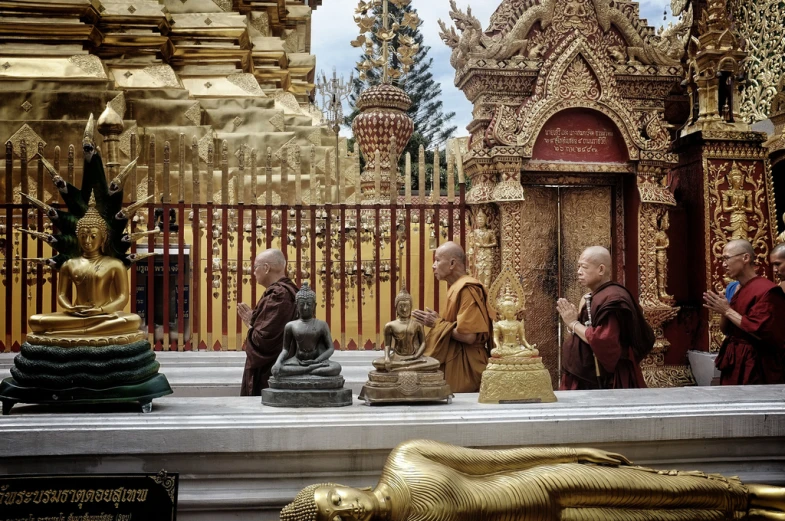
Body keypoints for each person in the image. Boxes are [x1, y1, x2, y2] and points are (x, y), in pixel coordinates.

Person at [281, 439, 785, 521]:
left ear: (337, 484)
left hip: (549, 482)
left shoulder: (406, 457)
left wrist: (573, 451)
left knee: (669, 487)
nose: (348, 510)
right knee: (664, 517)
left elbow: (500, 459)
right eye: (337, 519)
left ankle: (762, 495)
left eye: (335, 499)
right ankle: (751, 513)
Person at [28, 198, 141, 337]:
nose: (87, 241)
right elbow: (62, 295)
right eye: (83, 236)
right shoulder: (69, 264)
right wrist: (70, 308)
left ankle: (76, 333)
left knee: (133, 320)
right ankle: (87, 332)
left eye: (93, 236)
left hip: (104, 315)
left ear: (103, 238)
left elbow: (123, 297)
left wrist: (100, 310)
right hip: (76, 314)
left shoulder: (115, 264)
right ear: (77, 237)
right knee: (35, 321)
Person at [556, 246, 652, 390]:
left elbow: (604, 340)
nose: (579, 272)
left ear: (601, 269)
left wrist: (573, 323)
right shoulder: (596, 296)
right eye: (578, 267)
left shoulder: (613, 298)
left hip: (606, 378)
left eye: (584, 267)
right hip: (588, 373)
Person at [412, 242, 493, 393]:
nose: (433, 265)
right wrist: (440, 322)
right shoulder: (456, 287)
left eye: (437, 260)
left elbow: (469, 336)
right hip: (456, 360)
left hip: (467, 365)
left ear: (452, 264)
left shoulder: (468, 288)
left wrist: (437, 323)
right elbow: (453, 325)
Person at [704, 239, 785, 385]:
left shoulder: (767, 290)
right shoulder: (734, 288)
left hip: (755, 361)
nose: (723, 264)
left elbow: (760, 330)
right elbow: (727, 330)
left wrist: (727, 310)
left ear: (745, 258)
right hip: (734, 358)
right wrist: (722, 310)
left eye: (726, 258)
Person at [238, 249, 298, 396]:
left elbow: (263, 341)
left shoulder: (280, 295)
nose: (253, 273)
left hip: (271, 371)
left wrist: (250, 325)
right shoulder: (287, 291)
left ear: (266, 268)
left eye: (255, 267)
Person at [270, 282, 342, 378]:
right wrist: (278, 362)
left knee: (336, 367)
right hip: (297, 361)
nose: (305, 308)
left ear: (314, 306)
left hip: (317, 360)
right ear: (296, 305)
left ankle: (304, 371)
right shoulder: (291, 325)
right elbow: (285, 349)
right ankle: (310, 370)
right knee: (278, 369)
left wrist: (316, 361)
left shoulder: (322, 325)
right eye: (302, 304)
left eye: (308, 304)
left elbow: (330, 349)